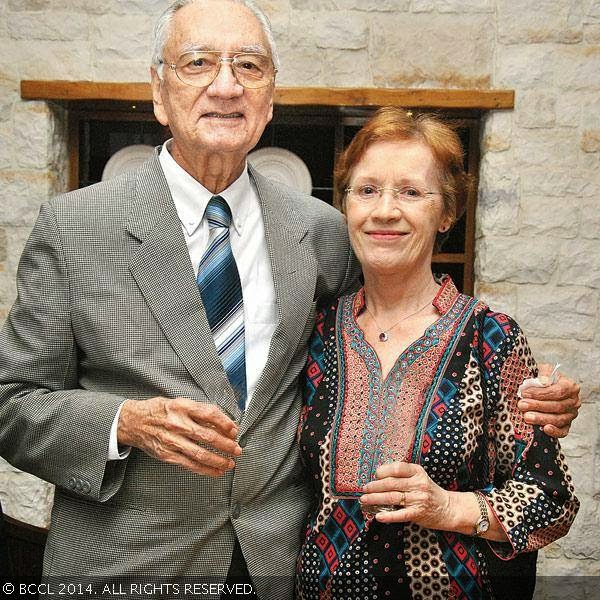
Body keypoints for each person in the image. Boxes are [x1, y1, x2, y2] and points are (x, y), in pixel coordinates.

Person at [0, 1, 580, 598]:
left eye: (248, 66)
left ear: (270, 97)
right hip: (123, 567)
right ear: (158, 89)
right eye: (198, 63)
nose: (226, 86)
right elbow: (10, 404)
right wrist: (126, 422)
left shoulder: (322, 231)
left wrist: (531, 393)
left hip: (276, 569)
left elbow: (403, 317)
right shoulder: (73, 227)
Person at [295, 107, 579, 600]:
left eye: (410, 192)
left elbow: (552, 501)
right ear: (346, 207)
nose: (384, 210)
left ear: (446, 211)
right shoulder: (317, 330)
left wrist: (447, 507)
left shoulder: (490, 338)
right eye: (366, 190)